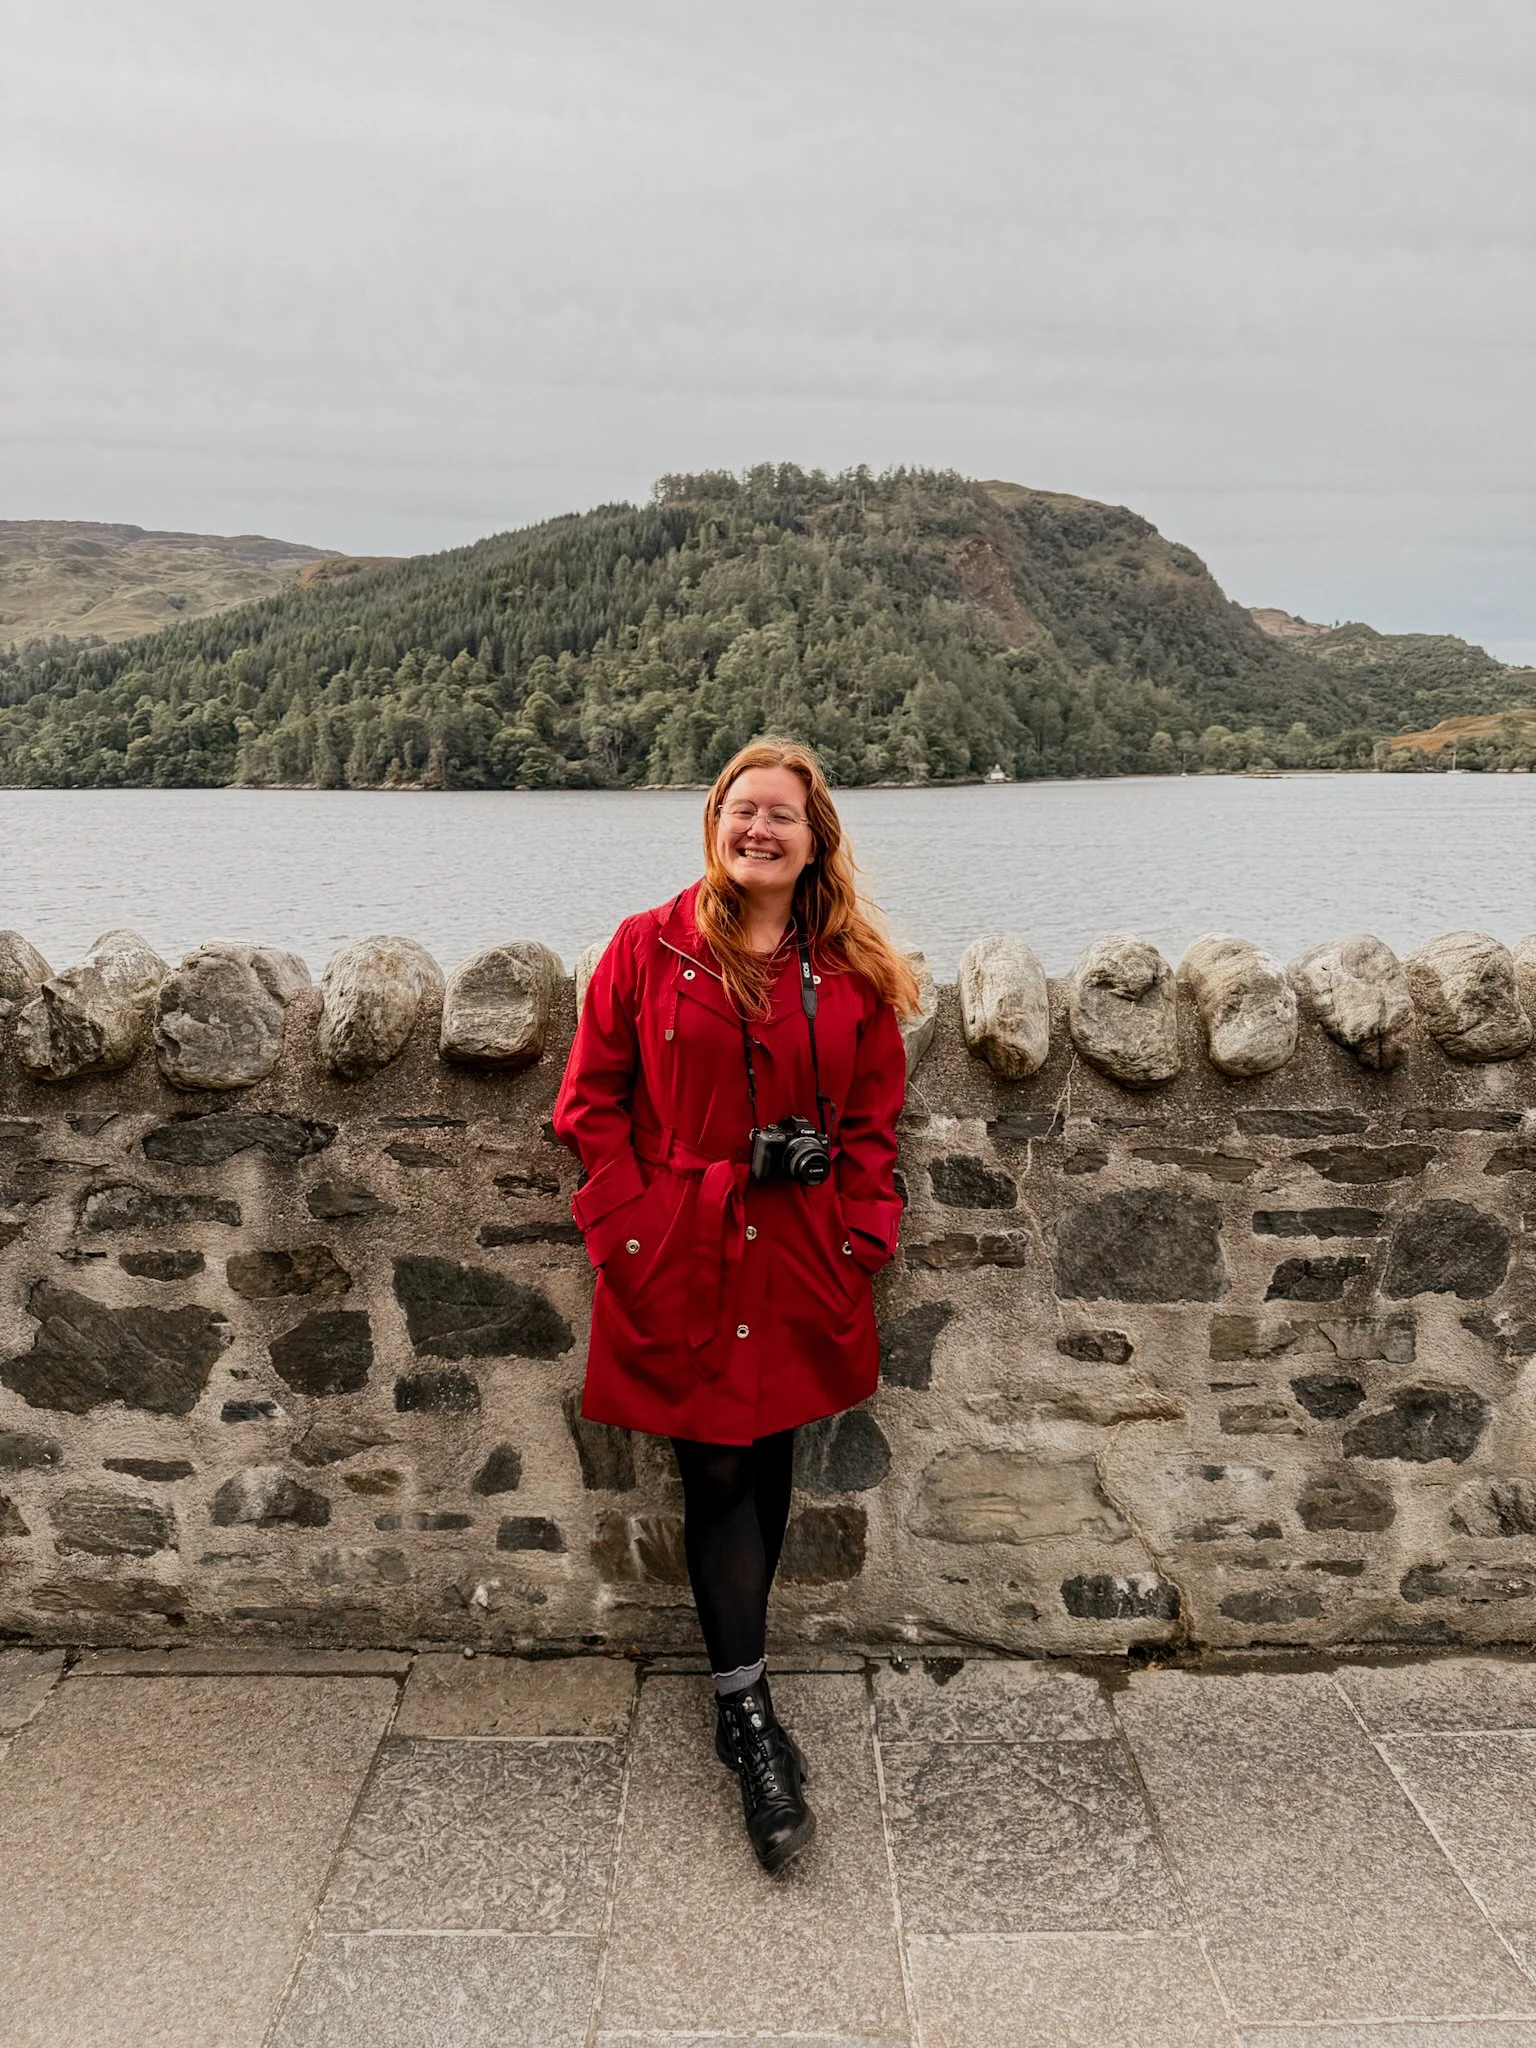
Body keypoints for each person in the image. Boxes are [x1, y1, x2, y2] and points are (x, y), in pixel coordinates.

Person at [553, 736, 918, 1874]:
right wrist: (625, 1230)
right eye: (742, 809)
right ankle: (749, 1719)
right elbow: (589, 1102)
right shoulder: (645, 949)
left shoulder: (851, 973)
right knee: (712, 1466)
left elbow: (871, 1122)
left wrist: (863, 1235)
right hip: (683, 1244)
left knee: (767, 1457)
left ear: (817, 841)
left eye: (783, 816)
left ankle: (734, 1685)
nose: (760, 828)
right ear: (714, 822)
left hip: (799, 1256)